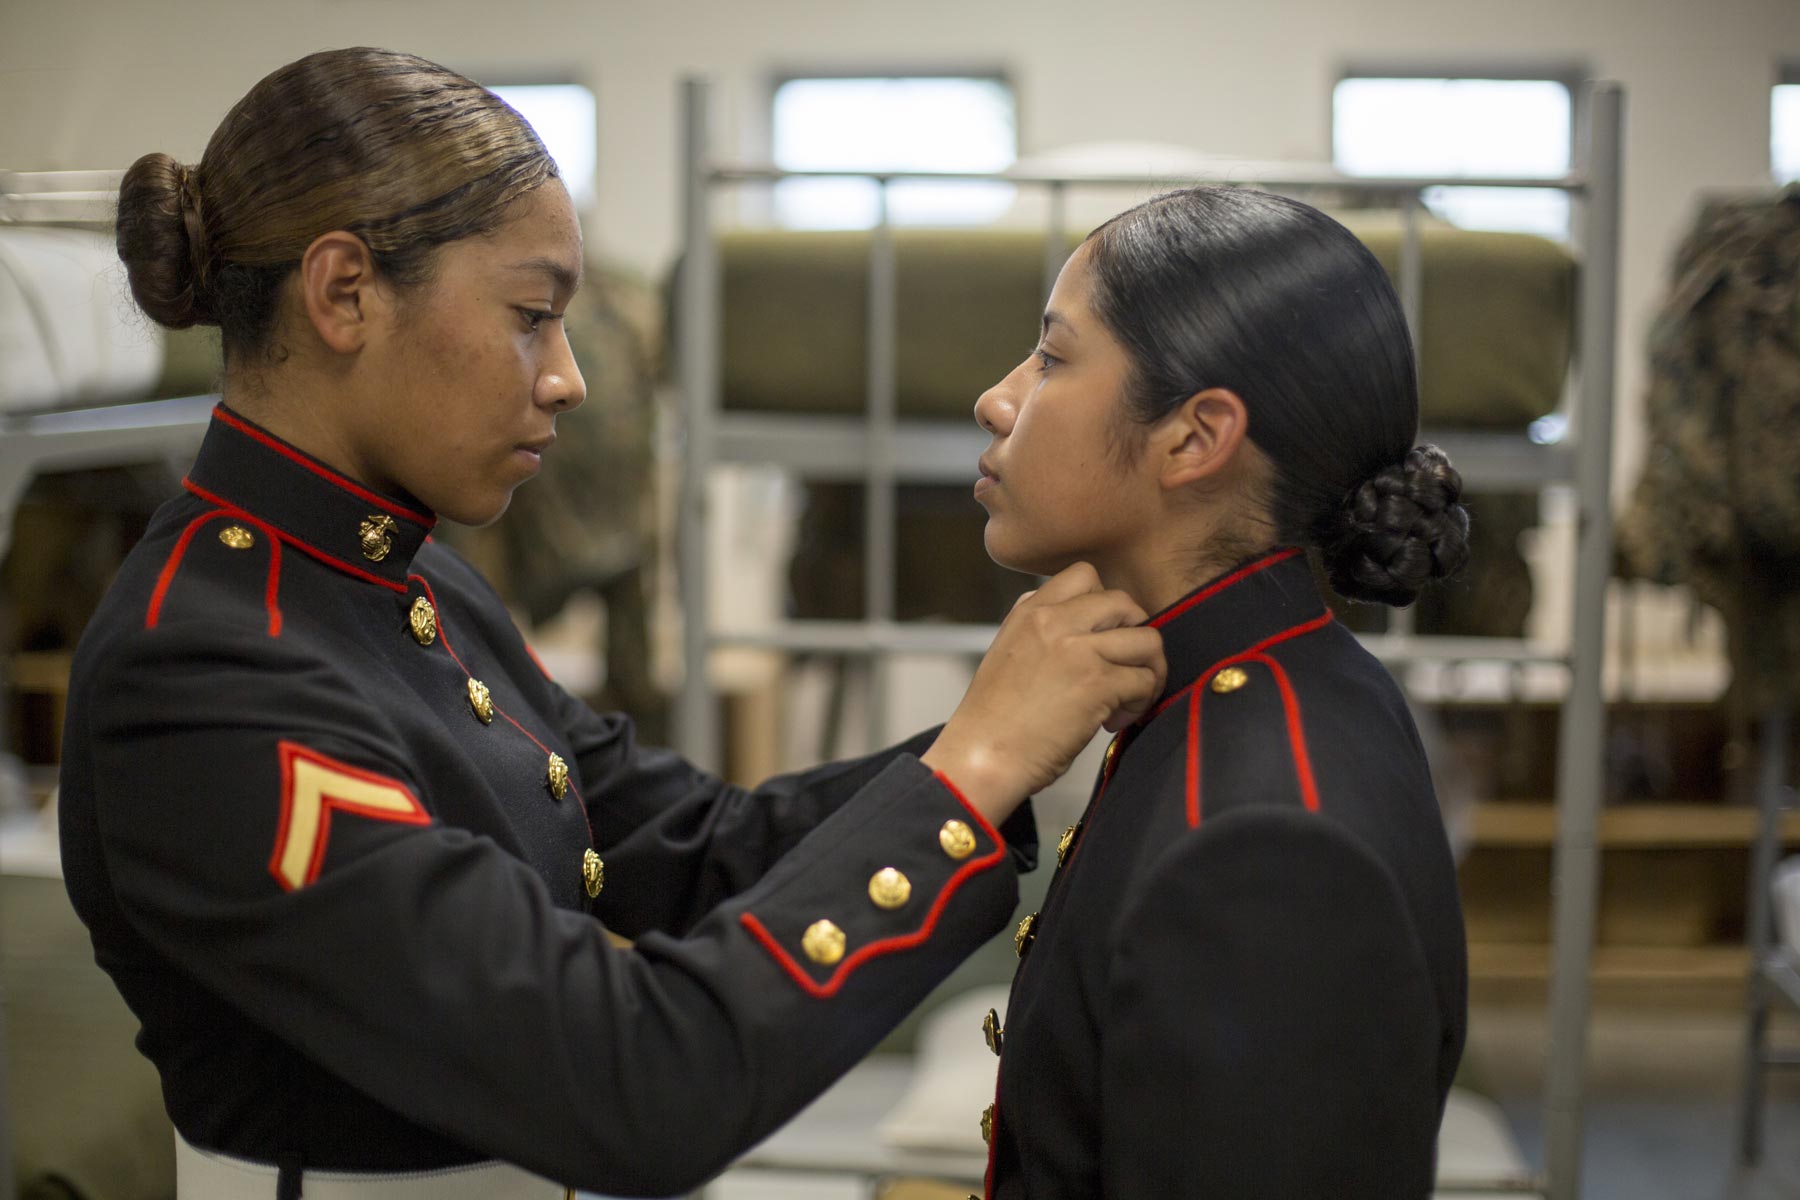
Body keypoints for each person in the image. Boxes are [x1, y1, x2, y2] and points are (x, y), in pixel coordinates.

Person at [57, 47, 1167, 1199]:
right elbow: (628, 1078)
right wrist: (972, 769)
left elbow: (688, 846)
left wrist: (995, 752)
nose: (570, 379)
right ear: (344, 294)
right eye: (531, 315)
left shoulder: (409, 579)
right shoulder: (203, 665)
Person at [970, 186, 1470, 1198]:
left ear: (1195, 439)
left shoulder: (1263, 850)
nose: (998, 399)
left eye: (1054, 359)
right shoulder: (1283, 681)